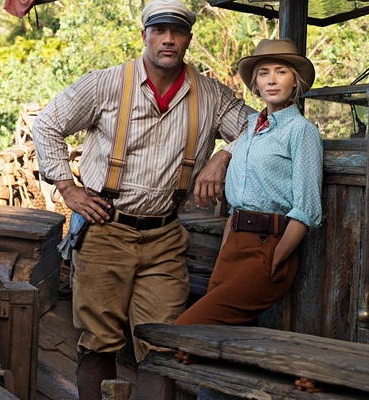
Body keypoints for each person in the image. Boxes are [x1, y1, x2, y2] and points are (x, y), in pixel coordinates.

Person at [32, 0, 254, 399]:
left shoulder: (210, 95)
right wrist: (67, 188)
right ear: (144, 35)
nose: (168, 39)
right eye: (160, 30)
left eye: (177, 32)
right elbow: (47, 124)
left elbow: (260, 126)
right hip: (105, 229)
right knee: (99, 340)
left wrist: (223, 156)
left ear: (188, 39)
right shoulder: (106, 83)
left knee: (163, 343)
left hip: (165, 236)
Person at [172, 38, 323, 398]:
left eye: (281, 72)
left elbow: (306, 208)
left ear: (295, 81)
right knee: (224, 350)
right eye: (264, 73)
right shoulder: (250, 127)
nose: (272, 79)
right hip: (233, 243)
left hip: (269, 247)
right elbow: (236, 197)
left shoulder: (301, 131)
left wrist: (275, 259)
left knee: (185, 331)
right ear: (255, 83)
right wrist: (228, 240)